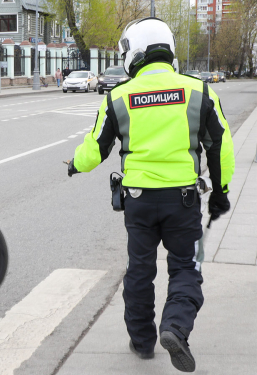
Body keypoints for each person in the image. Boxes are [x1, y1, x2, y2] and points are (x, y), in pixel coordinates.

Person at [66, 18, 234, 372]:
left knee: (139, 271)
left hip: (139, 202)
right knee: (186, 268)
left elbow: (95, 149)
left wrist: (75, 165)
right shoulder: (199, 91)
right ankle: (175, 327)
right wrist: (220, 192)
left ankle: (142, 342)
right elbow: (220, 147)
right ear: (167, 48)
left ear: (133, 52)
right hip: (183, 201)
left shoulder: (118, 96)